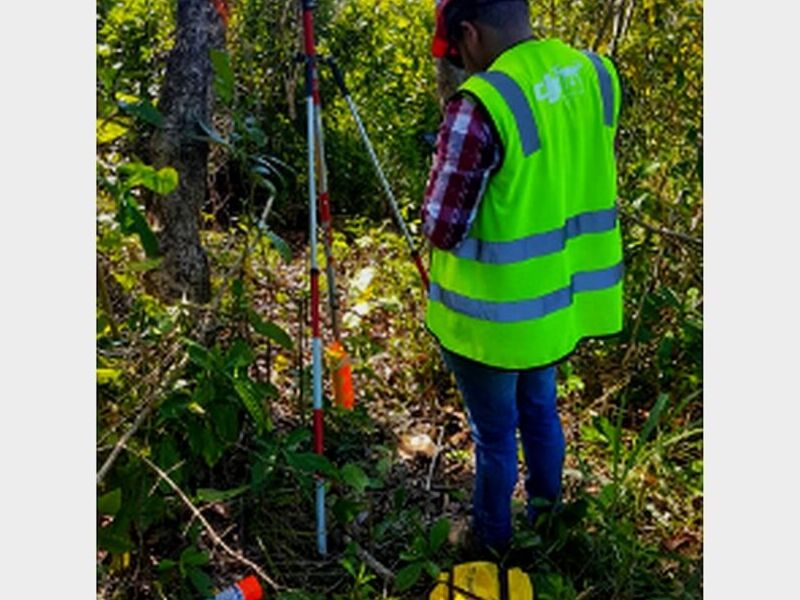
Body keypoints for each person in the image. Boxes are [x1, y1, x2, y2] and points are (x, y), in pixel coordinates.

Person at [422, 0, 624, 553]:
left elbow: (442, 226)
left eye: (458, 52)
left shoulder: (483, 104)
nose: (462, 64)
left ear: (469, 33)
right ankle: (548, 524)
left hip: (491, 320)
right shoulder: (593, 74)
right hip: (555, 303)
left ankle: (490, 539)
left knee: (494, 434)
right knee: (539, 410)